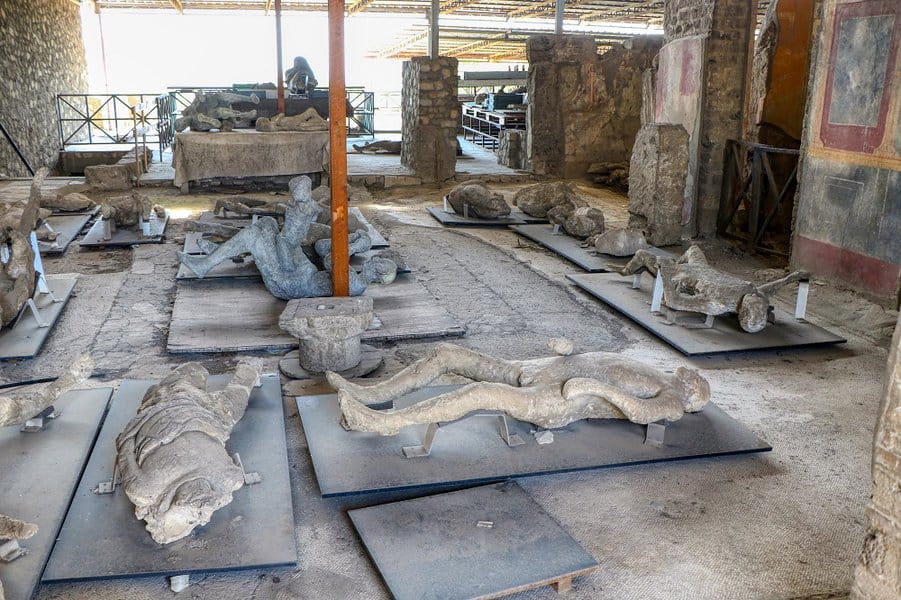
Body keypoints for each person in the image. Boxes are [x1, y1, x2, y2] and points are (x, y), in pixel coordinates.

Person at [327, 341, 710, 436]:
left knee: (479, 395)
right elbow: (597, 360)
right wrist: (569, 351)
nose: (690, 375)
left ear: (693, 397)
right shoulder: (654, 369)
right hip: (542, 370)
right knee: (447, 354)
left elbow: (640, 413)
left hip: (558, 400)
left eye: (696, 382)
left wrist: (594, 386)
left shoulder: (673, 402)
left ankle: (384, 422)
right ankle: (373, 394)